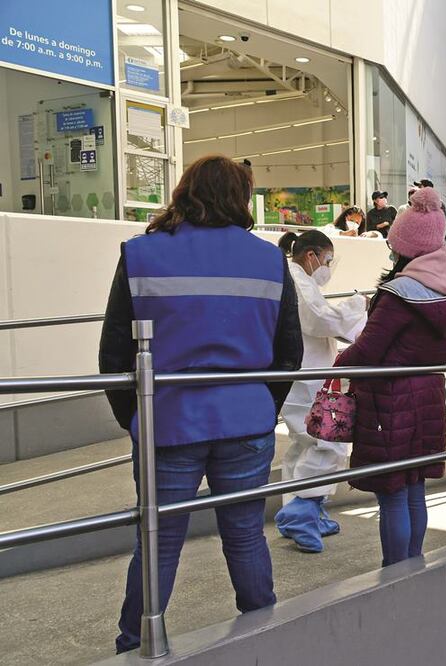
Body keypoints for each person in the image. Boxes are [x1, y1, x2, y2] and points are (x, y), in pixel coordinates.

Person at [98, 155, 303, 653]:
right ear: (240, 196)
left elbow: (113, 355)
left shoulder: (141, 254)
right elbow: (289, 352)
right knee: (247, 535)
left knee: (158, 541)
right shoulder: (269, 259)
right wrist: (259, 404)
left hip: (167, 421)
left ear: (184, 191)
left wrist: (138, 417)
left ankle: (135, 645)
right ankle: (264, 636)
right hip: (246, 423)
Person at [333, 187, 446, 567]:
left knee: (392, 491)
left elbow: (369, 349)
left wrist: (337, 364)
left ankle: (395, 573)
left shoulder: (398, 294)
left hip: (390, 399)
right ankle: (414, 564)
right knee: (413, 488)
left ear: (405, 246)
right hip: (428, 394)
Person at [273, 230, 368, 553]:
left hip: (302, 373)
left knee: (303, 443)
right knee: (327, 440)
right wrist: (357, 305)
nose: (328, 267)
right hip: (306, 376)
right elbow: (319, 320)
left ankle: (301, 512)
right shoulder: (298, 281)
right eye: (327, 260)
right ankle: (303, 510)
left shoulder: (297, 278)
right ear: (311, 255)